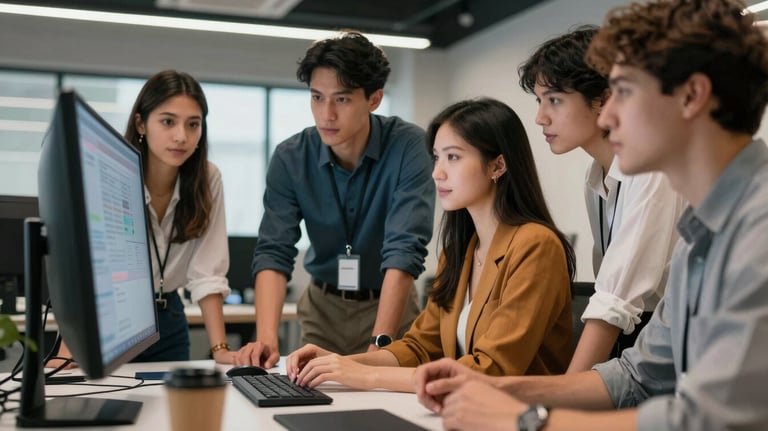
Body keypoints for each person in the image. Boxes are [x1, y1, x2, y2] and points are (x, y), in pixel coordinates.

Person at [412, 1, 768, 430]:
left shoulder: (758, 228)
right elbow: (637, 374)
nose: (609, 115)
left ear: (691, 96)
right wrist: (502, 389)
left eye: (624, 93)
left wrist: (530, 420)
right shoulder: (699, 233)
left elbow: (712, 420)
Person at [283, 98, 575, 392]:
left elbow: (493, 369)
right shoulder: (460, 251)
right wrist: (339, 362)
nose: (437, 172)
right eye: (436, 157)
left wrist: (363, 376)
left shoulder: (536, 245)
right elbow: (420, 347)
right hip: (463, 413)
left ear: (497, 165)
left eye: (453, 157)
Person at [234, 31, 435, 367]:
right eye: (316, 97)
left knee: (394, 409)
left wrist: (381, 343)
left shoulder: (409, 146)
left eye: (341, 99)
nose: (326, 114)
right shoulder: (290, 157)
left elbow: (405, 248)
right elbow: (274, 249)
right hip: (322, 308)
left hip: (389, 307)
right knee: (312, 405)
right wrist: (266, 337)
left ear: (373, 99)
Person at [518, 25, 685, 373]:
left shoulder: (652, 169)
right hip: (637, 342)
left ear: (604, 99)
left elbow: (616, 301)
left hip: (681, 348)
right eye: (539, 100)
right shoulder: (597, 177)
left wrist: (566, 398)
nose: (540, 117)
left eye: (555, 100)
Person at [50, 70, 236, 365]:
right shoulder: (110, 175)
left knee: (168, 407)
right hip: (112, 316)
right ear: (141, 123)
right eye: (168, 121)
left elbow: (207, 272)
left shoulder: (207, 179)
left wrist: (221, 350)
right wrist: (66, 351)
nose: (181, 136)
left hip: (170, 319)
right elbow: (83, 269)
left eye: (193, 124)